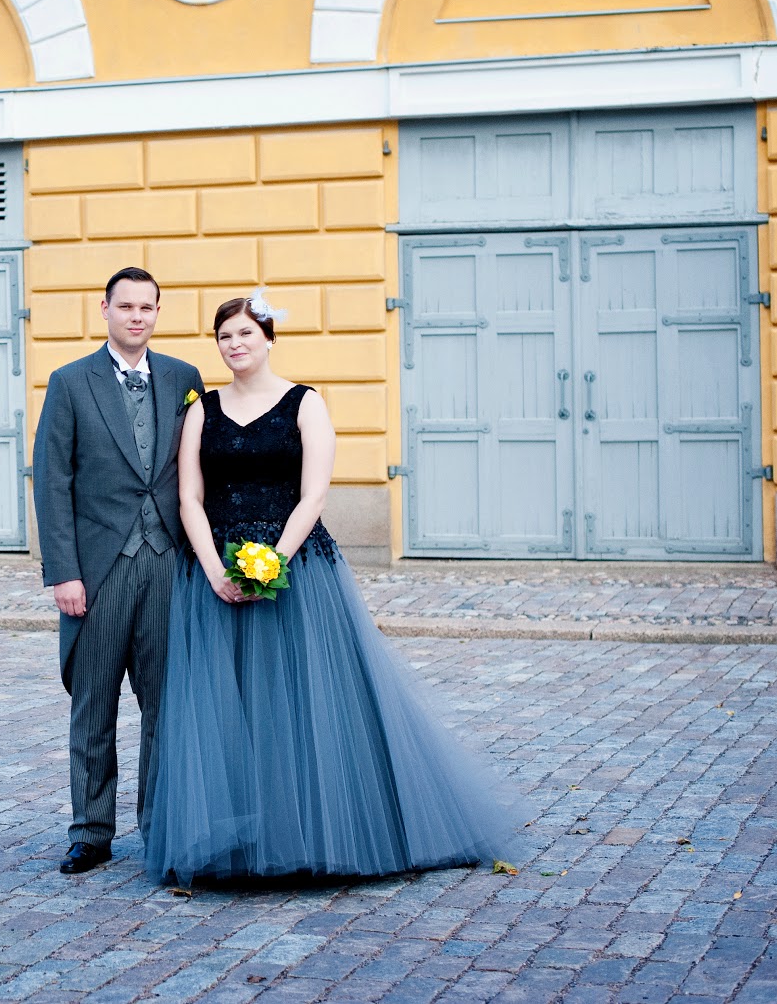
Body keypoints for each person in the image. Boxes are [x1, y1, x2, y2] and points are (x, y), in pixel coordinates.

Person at [144, 293, 522, 885]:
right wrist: (216, 570)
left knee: (302, 700)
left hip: (295, 572)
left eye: (245, 333)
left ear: (269, 338)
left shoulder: (305, 402)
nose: (234, 344)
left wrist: (269, 563)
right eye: (224, 336)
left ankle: (311, 831)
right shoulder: (202, 410)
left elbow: (314, 495)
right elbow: (189, 497)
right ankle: (239, 840)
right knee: (226, 703)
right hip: (212, 572)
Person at [32, 266, 206, 875]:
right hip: (98, 572)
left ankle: (160, 828)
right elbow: (52, 481)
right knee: (93, 706)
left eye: (146, 307)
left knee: (165, 707)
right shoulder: (70, 382)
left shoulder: (184, 379)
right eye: (125, 306)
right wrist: (64, 572)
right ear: (104, 309)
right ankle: (91, 832)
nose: (136, 316)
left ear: (158, 312)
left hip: (168, 566)